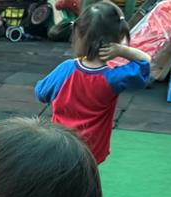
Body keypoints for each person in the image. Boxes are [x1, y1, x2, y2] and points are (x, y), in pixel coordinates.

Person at [35, 0, 150, 164]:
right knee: (86, 177)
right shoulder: (114, 78)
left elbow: (41, 93)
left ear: (78, 33)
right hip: (93, 150)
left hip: (62, 146)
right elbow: (145, 63)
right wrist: (123, 51)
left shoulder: (66, 69)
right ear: (118, 38)